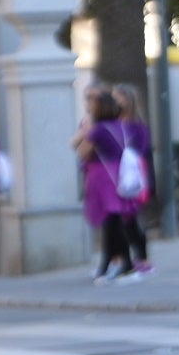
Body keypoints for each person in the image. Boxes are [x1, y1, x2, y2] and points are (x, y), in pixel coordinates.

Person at [72, 84, 141, 285]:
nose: (89, 105)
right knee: (115, 223)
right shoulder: (119, 125)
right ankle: (116, 264)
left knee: (111, 224)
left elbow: (81, 152)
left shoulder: (98, 130)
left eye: (92, 102)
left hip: (103, 179)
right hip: (117, 176)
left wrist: (85, 132)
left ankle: (123, 265)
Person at [112, 83, 155, 277]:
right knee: (117, 220)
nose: (116, 102)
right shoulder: (111, 124)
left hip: (132, 177)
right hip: (114, 176)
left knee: (132, 218)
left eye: (119, 97)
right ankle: (120, 258)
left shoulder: (137, 127)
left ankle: (142, 257)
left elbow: (142, 151)